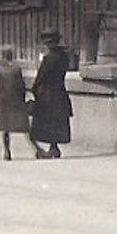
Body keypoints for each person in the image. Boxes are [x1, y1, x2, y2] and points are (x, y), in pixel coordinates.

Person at [31, 29, 75, 159]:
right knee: (57, 121)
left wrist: (35, 88)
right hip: (60, 91)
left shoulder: (49, 58)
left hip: (47, 93)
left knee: (47, 120)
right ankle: (54, 147)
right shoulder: (64, 57)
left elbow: (41, 76)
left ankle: (50, 149)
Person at [0, 45, 35, 161]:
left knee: (5, 129)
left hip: (4, 102)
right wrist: (23, 98)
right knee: (24, 128)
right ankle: (35, 148)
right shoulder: (16, 69)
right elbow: (21, 85)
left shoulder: (0, 70)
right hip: (16, 101)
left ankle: (7, 151)